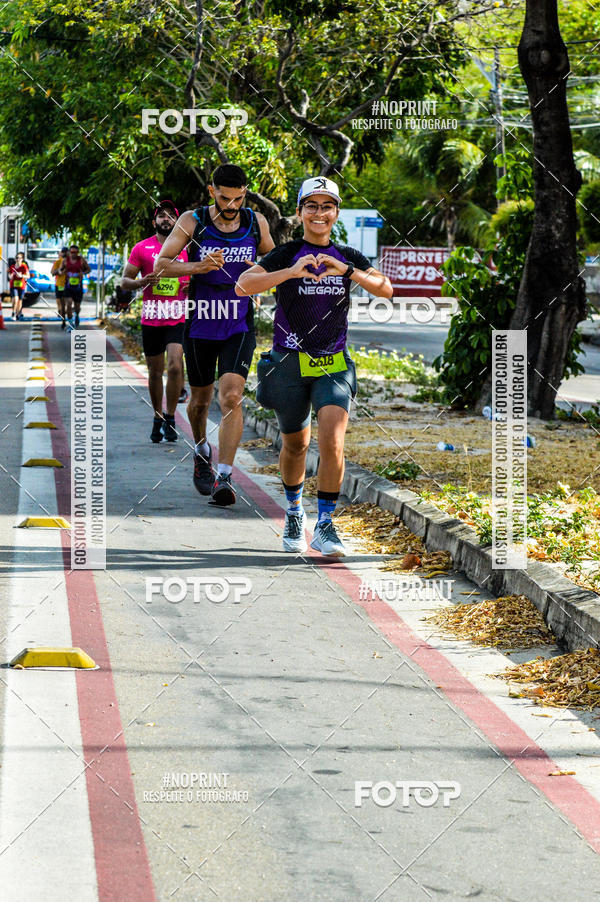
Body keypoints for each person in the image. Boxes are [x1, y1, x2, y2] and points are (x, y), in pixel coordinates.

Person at [236, 176, 393, 556]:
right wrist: (291, 273)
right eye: (312, 205)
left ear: (336, 213)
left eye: (327, 206)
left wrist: (348, 271)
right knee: (295, 445)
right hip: (288, 363)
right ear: (300, 211)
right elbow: (243, 285)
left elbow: (385, 288)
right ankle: (294, 512)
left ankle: (325, 524)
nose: (319, 213)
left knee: (332, 440)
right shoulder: (286, 253)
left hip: (333, 364)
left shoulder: (347, 255)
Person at [155, 164, 274, 506]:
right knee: (200, 402)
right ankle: (202, 449)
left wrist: (265, 276)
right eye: (224, 198)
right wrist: (198, 266)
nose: (231, 205)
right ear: (212, 191)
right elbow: (162, 264)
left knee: (232, 396)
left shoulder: (256, 222)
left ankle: (224, 476)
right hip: (202, 322)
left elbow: (274, 258)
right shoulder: (193, 221)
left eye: (238, 198)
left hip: (238, 322)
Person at [121, 200, 189, 443]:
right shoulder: (141, 248)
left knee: (174, 366)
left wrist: (194, 286)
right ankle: (157, 416)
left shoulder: (187, 249)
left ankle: (171, 416)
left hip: (177, 317)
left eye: (172, 215)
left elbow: (201, 275)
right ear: (154, 221)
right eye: (162, 215)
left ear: (178, 222)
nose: (166, 219)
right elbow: (124, 281)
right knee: (155, 371)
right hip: (151, 318)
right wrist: (141, 282)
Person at [60, 244, 90, 328]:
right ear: (69, 252)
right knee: (68, 304)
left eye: (75, 252)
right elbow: (60, 270)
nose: (73, 254)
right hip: (68, 286)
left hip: (78, 287)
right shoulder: (65, 261)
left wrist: (82, 273)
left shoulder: (81, 260)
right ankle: (70, 323)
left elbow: (88, 269)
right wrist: (61, 272)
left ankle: (76, 315)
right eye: (72, 252)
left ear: (78, 253)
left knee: (77, 307)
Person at [52, 247, 69, 329]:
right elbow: (52, 272)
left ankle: (69, 318)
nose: (65, 253)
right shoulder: (58, 262)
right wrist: (59, 271)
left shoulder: (72, 262)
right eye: (63, 252)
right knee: (61, 303)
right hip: (60, 285)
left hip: (69, 285)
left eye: (66, 252)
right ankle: (63, 320)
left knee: (68, 303)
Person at [10, 252, 30, 320]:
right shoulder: (12, 267)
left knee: (20, 301)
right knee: (15, 299)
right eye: (17, 258)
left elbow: (28, 276)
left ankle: (18, 314)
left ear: (22, 259)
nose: (18, 259)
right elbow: (9, 276)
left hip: (21, 286)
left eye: (19, 258)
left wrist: (22, 275)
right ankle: (13, 313)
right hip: (13, 285)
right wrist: (11, 276)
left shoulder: (24, 266)